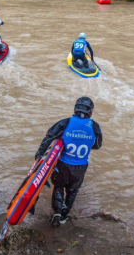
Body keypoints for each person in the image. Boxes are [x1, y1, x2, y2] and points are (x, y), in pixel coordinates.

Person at [35, 97, 102, 227]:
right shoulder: (95, 126)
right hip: (81, 166)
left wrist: (39, 154)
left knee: (59, 186)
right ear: (91, 112)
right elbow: (97, 145)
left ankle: (57, 212)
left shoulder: (65, 123)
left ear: (75, 109)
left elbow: (49, 137)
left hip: (63, 164)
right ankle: (65, 216)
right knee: (73, 191)